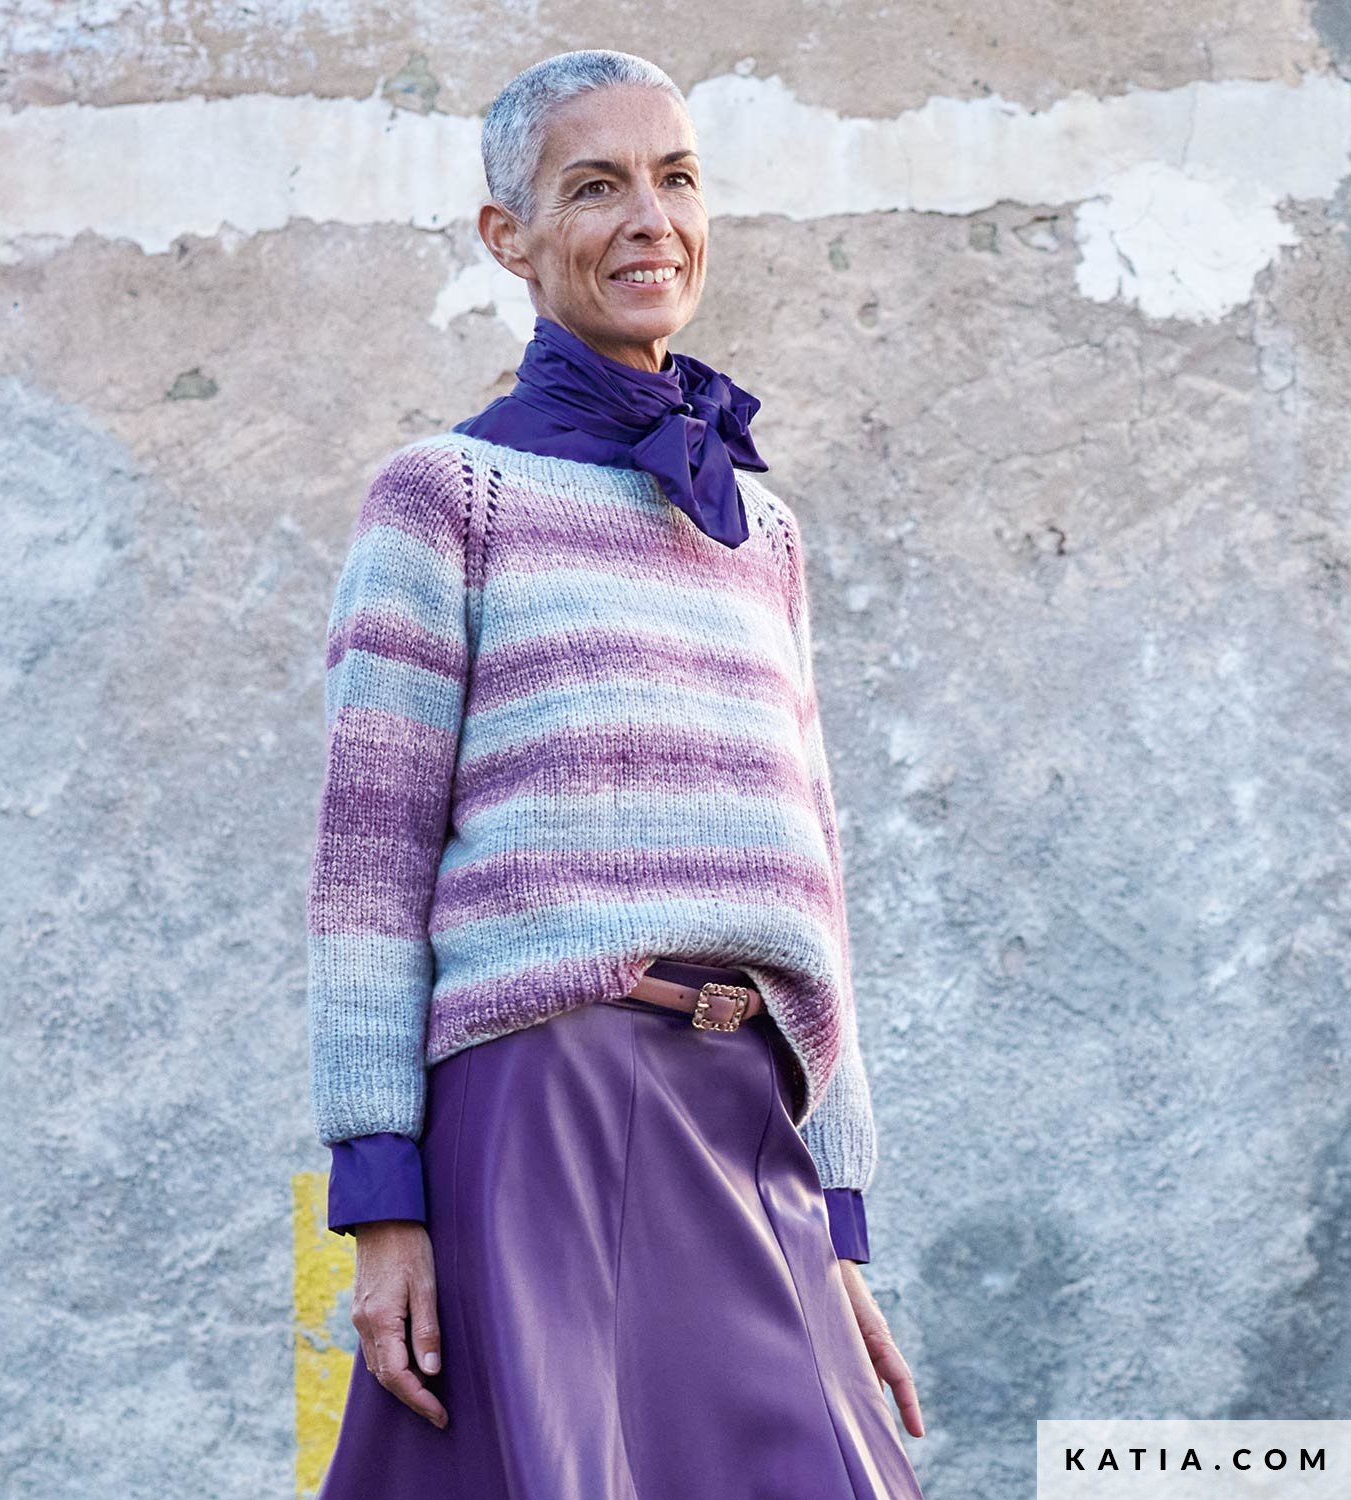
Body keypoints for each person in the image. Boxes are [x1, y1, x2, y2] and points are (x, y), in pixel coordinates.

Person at [306, 47, 927, 1499]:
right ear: (508, 236)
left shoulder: (761, 529)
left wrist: (837, 1210)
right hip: (543, 1105)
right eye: (595, 188)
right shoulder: (447, 497)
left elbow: (809, 874)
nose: (652, 221)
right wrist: (382, 1203)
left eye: (677, 179)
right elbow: (368, 875)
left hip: (748, 1100)